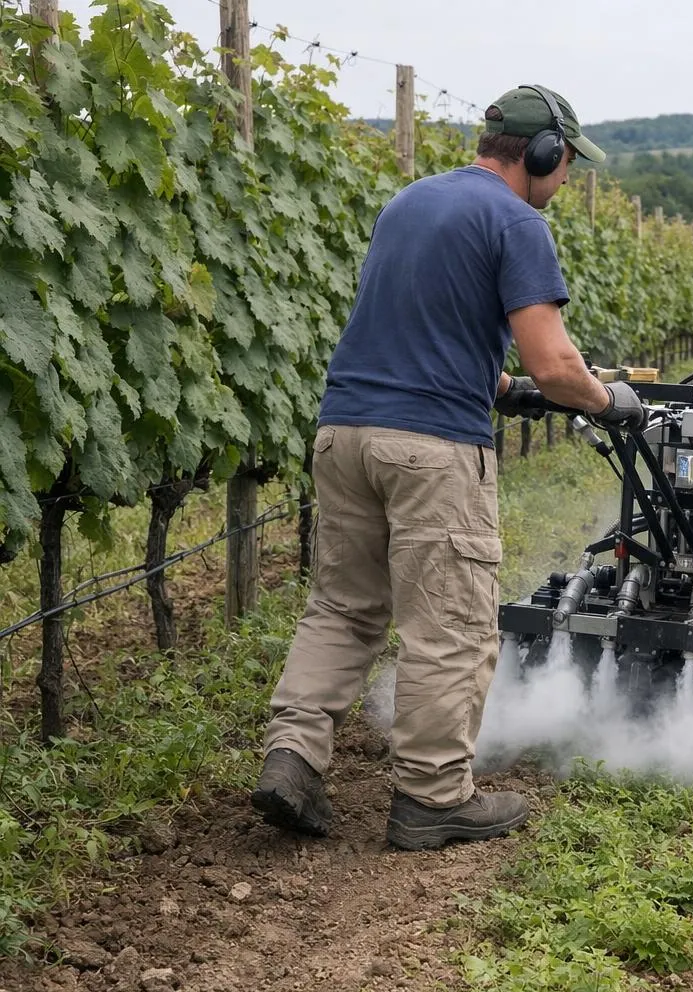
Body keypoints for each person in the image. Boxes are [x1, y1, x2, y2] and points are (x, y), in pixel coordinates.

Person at [248, 84, 645, 851]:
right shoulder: (516, 221)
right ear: (544, 153)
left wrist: (504, 390)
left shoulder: (409, 204)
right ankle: (433, 798)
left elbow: (418, 332)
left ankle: (292, 758)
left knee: (344, 608)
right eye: (566, 167)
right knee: (451, 628)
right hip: (429, 451)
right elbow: (557, 360)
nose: (564, 183)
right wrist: (606, 401)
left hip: (344, 434)